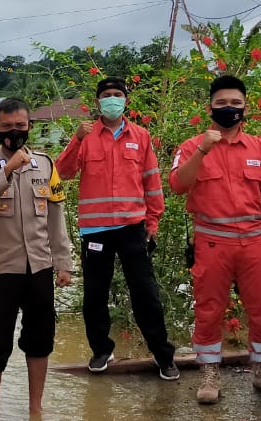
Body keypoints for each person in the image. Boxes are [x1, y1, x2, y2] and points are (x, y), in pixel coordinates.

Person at [170, 75, 261, 405]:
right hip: (211, 241)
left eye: (235, 103)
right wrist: (203, 150)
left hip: (254, 241)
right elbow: (178, 185)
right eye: (221, 103)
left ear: (245, 107)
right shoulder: (191, 147)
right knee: (209, 310)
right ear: (210, 107)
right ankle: (209, 373)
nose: (229, 109)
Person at [55, 75, 179, 379]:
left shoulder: (141, 136)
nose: (112, 99)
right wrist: (76, 139)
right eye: (107, 95)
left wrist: (154, 221)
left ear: (125, 100)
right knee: (95, 295)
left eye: (117, 94)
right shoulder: (85, 136)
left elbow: (152, 180)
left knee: (146, 293)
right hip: (95, 231)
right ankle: (101, 350)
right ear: (98, 102)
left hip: (132, 227)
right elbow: (62, 172)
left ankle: (163, 355)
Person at [0, 98, 72, 420]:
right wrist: (7, 172)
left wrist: (64, 262)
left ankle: (35, 409)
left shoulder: (46, 165)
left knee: (40, 339)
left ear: (29, 126)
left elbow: (56, 216)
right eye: (8, 126)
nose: (15, 132)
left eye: (20, 126)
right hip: (1, 270)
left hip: (39, 267)